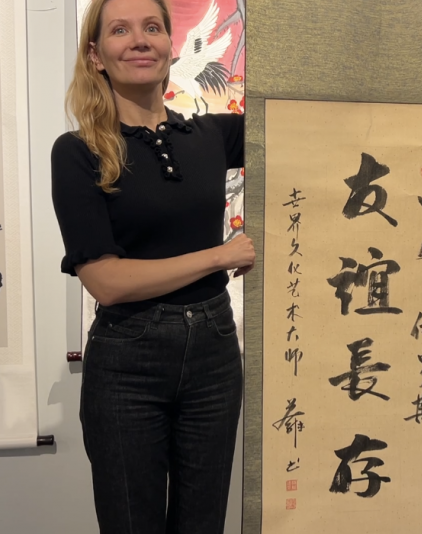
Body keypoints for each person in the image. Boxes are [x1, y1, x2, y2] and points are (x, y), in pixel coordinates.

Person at [50, 0, 252, 532]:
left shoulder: (212, 137)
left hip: (214, 356)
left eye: (153, 28)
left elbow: (303, 122)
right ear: (96, 55)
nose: (139, 40)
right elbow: (107, 282)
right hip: (127, 364)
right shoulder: (78, 152)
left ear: (169, 46)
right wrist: (220, 255)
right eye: (120, 30)